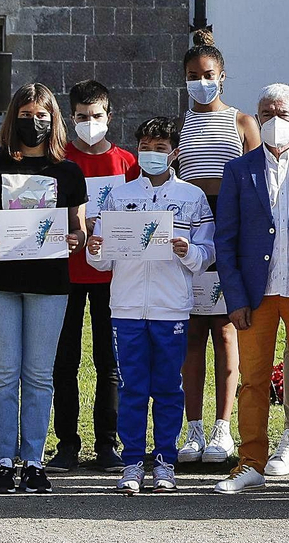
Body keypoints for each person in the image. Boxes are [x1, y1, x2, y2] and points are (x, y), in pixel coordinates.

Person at [210, 84, 289, 496]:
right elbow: (225, 239)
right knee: (253, 381)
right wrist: (234, 298)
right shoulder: (238, 170)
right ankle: (250, 462)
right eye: (266, 113)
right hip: (255, 293)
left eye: (282, 113)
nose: (274, 121)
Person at [0, 83, 89, 495]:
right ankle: (2, 461)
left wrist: (76, 239)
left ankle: (34, 461)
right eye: (25, 115)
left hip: (49, 283)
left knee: (39, 375)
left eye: (42, 116)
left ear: (54, 120)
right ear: (11, 117)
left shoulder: (68, 171)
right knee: (3, 374)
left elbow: (79, 229)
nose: (33, 123)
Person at [85, 117, 213, 494]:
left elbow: (207, 254)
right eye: (145, 147)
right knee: (132, 387)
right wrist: (95, 250)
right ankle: (132, 462)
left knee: (169, 388)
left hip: (170, 308)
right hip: (126, 308)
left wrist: (188, 250)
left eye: (160, 148)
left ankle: (164, 462)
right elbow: (103, 259)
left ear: (175, 153)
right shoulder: (118, 196)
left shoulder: (192, 198)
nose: (152, 154)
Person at [48, 79, 140, 473]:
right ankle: (66, 443)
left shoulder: (127, 163)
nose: (90, 123)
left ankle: (108, 443)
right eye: (82, 117)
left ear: (109, 116)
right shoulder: (58, 162)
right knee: (63, 362)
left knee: (110, 362)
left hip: (113, 277)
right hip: (64, 273)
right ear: (70, 118)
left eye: (97, 116)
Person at [176, 29, 258, 465]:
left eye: (208, 74)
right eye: (192, 75)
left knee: (227, 329)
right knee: (191, 332)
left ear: (222, 75)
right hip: (188, 232)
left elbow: (261, 179)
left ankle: (223, 430)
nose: (201, 81)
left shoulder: (242, 122)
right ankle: (193, 431)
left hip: (231, 232)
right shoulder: (178, 127)